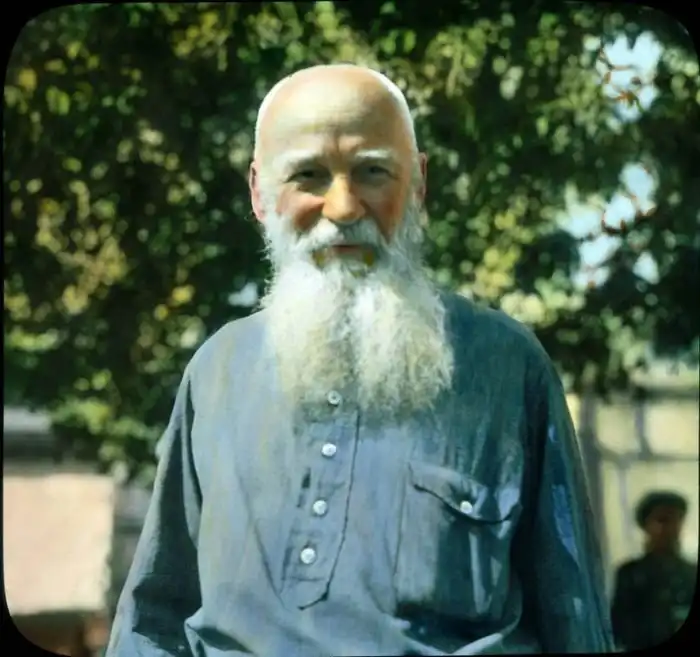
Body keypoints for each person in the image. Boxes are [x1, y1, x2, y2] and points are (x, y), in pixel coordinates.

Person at [106, 64, 614, 656]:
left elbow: (573, 613)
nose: (343, 207)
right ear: (259, 192)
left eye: (373, 171)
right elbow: (153, 618)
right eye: (308, 175)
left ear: (418, 183)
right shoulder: (217, 370)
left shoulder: (505, 365)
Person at [611, 491, 696, 651]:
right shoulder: (630, 574)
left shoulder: (691, 573)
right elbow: (620, 629)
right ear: (646, 526)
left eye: (676, 521)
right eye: (662, 520)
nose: (671, 529)